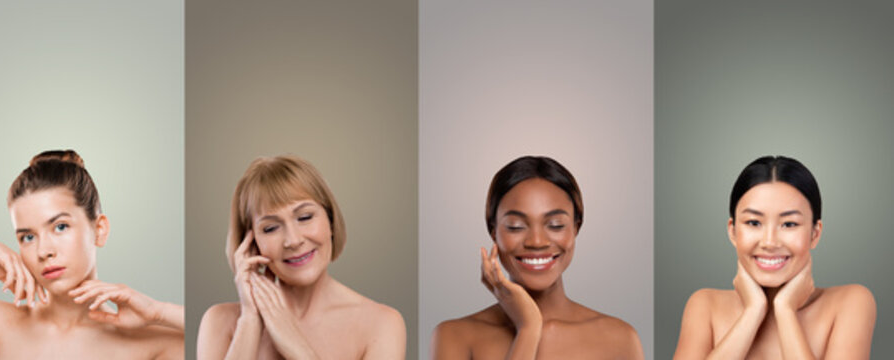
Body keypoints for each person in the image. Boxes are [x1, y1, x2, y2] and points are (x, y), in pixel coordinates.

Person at [0, 150, 183, 359]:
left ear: (99, 229)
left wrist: (159, 312)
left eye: (60, 227)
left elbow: (205, 338)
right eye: (28, 237)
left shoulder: (151, 342)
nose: (44, 251)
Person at [196, 155, 405, 359]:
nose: (293, 240)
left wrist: (293, 344)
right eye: (270, 228)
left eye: (305, 217)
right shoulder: (220, 322)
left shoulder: (382, 324)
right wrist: (249, 320)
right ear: (251, 245)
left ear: (330, 221)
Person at [433, 156, 642, 359]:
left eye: (556, 225)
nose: (536, 241)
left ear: (576, 228)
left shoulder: (619, 339)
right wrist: (528, 328)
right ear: (493, 232)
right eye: (516, 226)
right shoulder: (455, 336)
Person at [672, 155, 875, 359]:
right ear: (732, 231)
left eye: (789, 224)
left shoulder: (851, 303)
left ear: (815, 234)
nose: (770, 242)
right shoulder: (704, 305)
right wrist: (753, 311)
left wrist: (786, 310)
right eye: (753, 223)